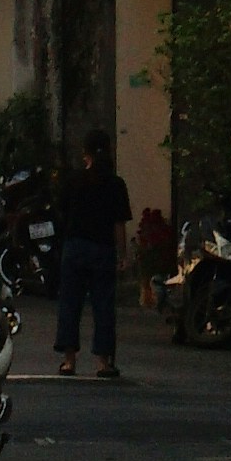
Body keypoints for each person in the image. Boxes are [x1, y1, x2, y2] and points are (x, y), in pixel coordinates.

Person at [54, 129, 133, 380]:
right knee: (103, 306)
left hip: (75, 247)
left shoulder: (73, 181)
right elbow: (119, 224)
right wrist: (123, 254)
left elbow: (61, 213)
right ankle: (103, 362)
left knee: (70, 304)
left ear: (85, 153)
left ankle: (68, 361)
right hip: (103, 249)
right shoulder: (116, 184)